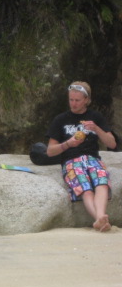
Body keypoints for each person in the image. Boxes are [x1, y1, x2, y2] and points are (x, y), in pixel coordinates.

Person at [46, 81, 117, 232]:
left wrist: (96, 129)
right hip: (71, 161)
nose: (73, 103)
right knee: (85, 188)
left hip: (93, 159)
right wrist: (68, 144)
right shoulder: (60, 119)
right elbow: (50, 151)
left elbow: (112, 144)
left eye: (77, 100)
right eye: (71, 99)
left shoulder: (95, 117)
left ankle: (99, 220)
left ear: (86, 100)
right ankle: (100, 218)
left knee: (102, 183)